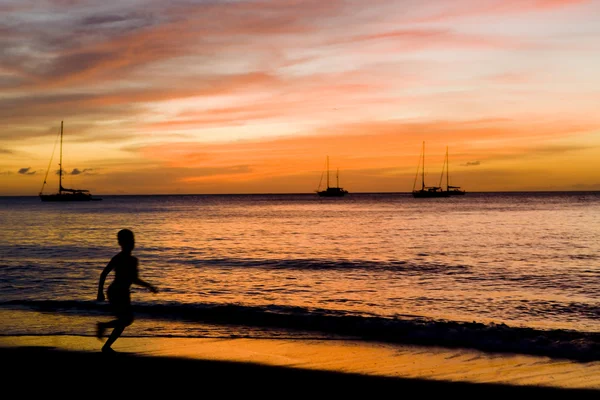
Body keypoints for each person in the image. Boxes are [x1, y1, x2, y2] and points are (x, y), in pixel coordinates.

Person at [96, 229, 158, 353]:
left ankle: (106, 343)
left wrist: (148, 286)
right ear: (122, 243)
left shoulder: (133, 260)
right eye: (130, 241)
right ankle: (104, 332)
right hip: (115, 292)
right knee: (125, 320)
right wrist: (100, 292)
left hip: (124, 293)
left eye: (133, 241)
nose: (132, 243)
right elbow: (104, 274)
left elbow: (133, 279)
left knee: (126, 320)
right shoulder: (118, 258)